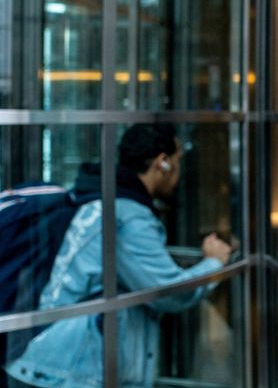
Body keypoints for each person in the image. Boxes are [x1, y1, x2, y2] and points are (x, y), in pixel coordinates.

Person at [5, 124, 231, 388]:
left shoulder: (97, 196)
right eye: (178, 160)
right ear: (163, 163)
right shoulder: (127, 217)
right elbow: (168, 293)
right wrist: (214, 263)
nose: (181, 172)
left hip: (44, 359)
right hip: (70, 372)